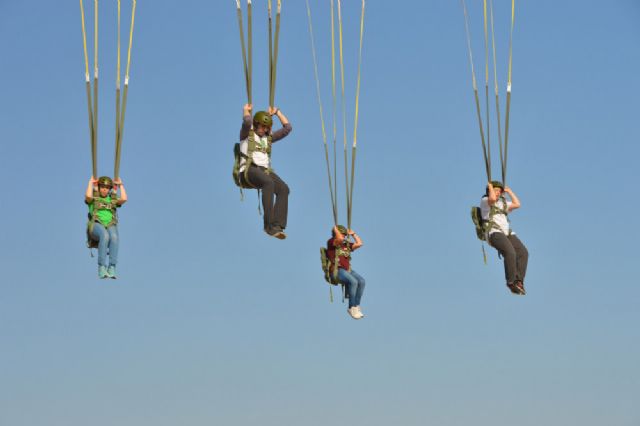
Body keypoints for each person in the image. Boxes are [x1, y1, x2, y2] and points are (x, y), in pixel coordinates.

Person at [238, 104, 293, 239]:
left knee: (284, 189)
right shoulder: (247, 134)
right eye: (262, 126)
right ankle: (268, 226)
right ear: (256, 125)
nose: (265, 129)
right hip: (248, 169)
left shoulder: (268, 138)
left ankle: (277, 225)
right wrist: (246, 110)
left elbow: (287, 128)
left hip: (264, 171)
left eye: (267, 127)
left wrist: (278, 112)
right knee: (268, 183)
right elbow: (247, 122)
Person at [481, 181, 528, 295]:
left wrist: (509, 191)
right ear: (490, 191)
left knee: (523, 252)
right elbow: (492, 199)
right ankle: (511, 281)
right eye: (495, 191)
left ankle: (518, 280)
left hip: (506, 233)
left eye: (499, 191)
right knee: (510, 253)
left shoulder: (502, 203)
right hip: (494, 233)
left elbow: (517, 204)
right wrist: (491, 187)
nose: (497, 193)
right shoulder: (485, 201)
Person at [85, 176, 128, 279]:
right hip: (95, 224)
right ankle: (101, 266)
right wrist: (90, 183)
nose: (105, 189)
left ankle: (112, 267)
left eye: (107, 187)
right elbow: (87, 196)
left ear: (109, 189)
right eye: (102, 187)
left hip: (109, 224)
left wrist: (120, 185)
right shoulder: (94, 198)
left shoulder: (111, 200)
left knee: (114, 237)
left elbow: (124, 199)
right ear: (99, 187)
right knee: (104, 235)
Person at [326, 225, 366, 319]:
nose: (344, 236)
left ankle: (356, 306)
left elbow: (359, 244)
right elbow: (339, 239)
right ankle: (351, 307)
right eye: (342, 234)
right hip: (336, 270)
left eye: (344, 234)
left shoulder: (345, 245)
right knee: (353, 282)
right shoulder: (332, 242)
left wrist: (353, 234)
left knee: (362, 281)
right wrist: (335, 229)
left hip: (347, 270)